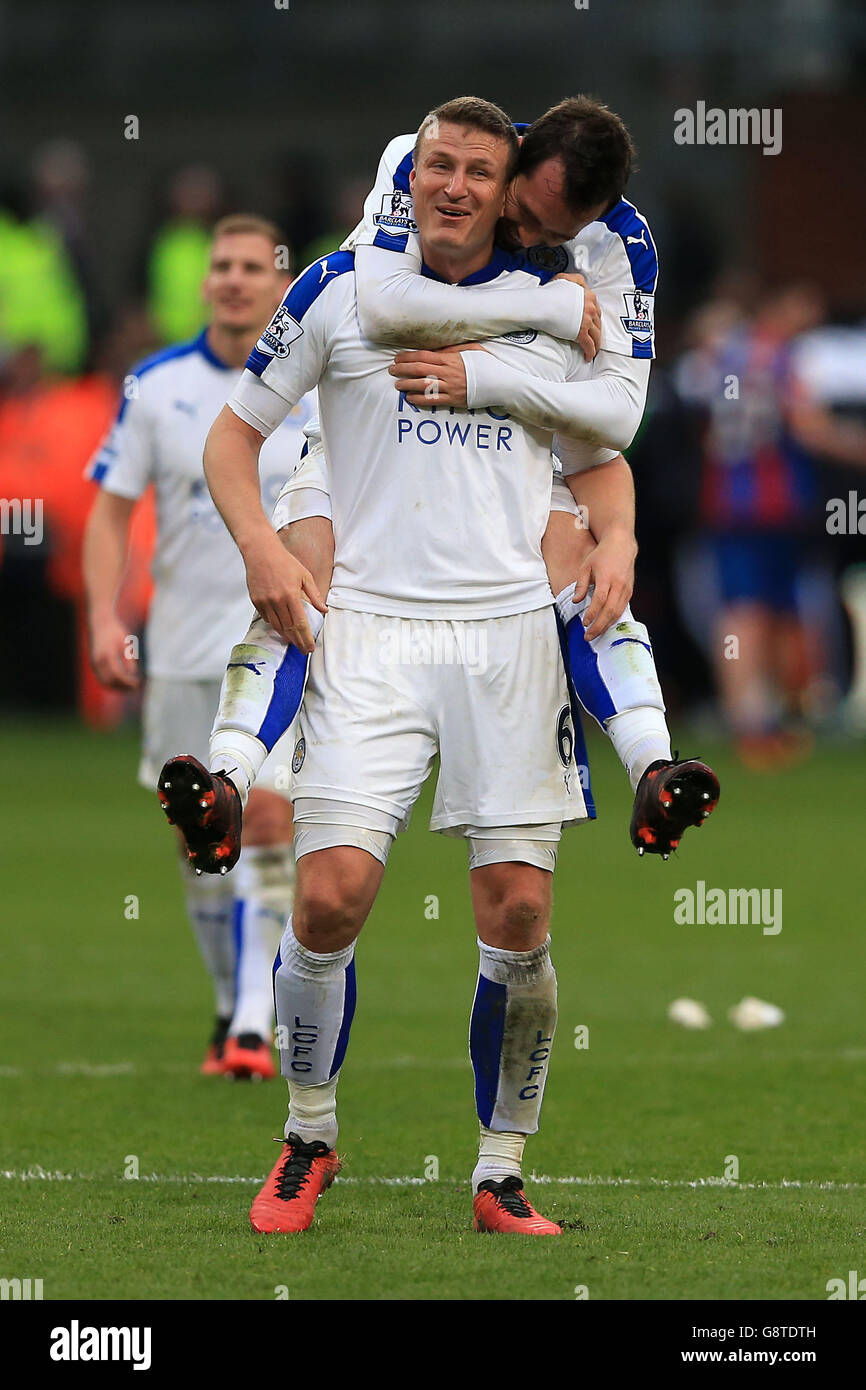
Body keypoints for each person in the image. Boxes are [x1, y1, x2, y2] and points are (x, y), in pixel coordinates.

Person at [180, 98, 716, 1238]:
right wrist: (265, 545)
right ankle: (306, 1135)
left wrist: (611, 534)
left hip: (506, 633)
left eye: (479, 168)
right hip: (372, 626)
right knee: (326, 896)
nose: (458, 185)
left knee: (517, 911)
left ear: (509, 180)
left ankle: (499, 1169)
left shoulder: (555, 316)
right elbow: (235, 437)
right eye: (439, 165)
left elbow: (600, 452)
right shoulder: (338, 287)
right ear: (407, 175)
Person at [173, 96, 719, 868]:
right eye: (522, 213)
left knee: (583, 559)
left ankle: (654, 765)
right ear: (513, 173)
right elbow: (388, 304)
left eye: (552, 235)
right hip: (360, 427)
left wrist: (490, 381)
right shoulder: (427, 163)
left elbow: (616, 422)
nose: (528, 238)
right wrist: (548, 304)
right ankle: (228, 775)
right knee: (303, 569)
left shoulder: (619, 247)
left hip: (513, 441)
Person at [83, 214, 314, 1079]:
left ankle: (255, 1022)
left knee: (265, 819)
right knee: (196, 838)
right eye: (222, 264)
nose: (234, 278)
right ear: (204, 280)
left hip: (286, 645)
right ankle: (232, 1000)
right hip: (180, 650)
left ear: (279, 282)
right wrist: (107, 619)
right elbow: (111, 510)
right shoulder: (157, 386)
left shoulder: (314, 383)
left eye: (254, 266)